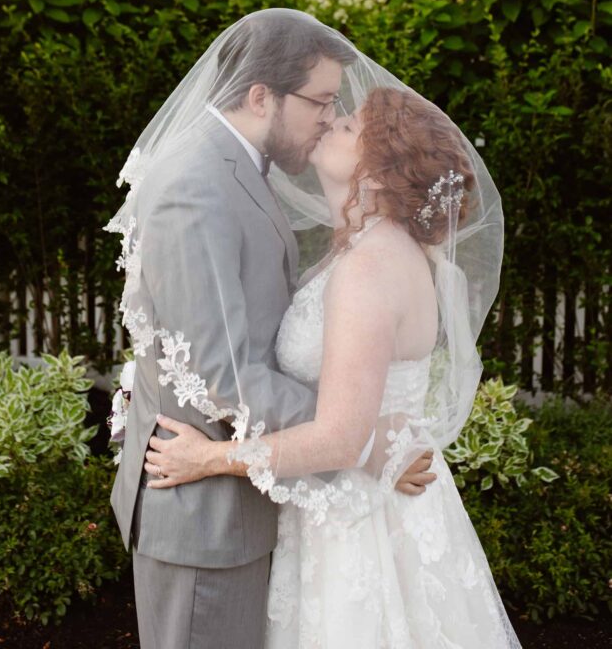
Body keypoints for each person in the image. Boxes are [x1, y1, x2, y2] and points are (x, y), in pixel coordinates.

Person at [142, 82, 522, 647]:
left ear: (378, 172)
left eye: (349, 128)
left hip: (361, 526)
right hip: (365, 503)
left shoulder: (368, 270)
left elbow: (342, 441)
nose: (332, 122)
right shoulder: (373, 250)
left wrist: (209, 458)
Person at [106, 10, 435, 649]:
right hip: (204, 517)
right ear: (262, 95)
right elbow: (220, 373)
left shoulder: (242, 170)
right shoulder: (195, 185)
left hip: (251, 499)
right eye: (320, 100)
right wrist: (360, 439)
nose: (328, 116)